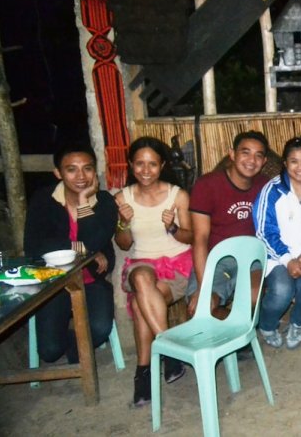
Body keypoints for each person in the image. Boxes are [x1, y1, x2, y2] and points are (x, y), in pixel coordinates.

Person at [113, 136, 193, 407]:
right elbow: (124, 244)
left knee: (140, 303)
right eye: (139, 164)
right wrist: (123, 223)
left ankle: (143, 373)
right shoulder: (122, 198)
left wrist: (172, 227)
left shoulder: (177, 195)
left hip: (176, 266)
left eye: (152, 164)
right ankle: (170, 351)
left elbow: (190, 236)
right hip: (141, 265)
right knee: (140, 277)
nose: (145, 170)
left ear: (162, 166)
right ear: (131, 165)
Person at [24, 142, 117, 364]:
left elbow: (93, 240)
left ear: (95, 170)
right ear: (58, 173)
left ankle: (77, 353)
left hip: (91, 279)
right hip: (53, 282)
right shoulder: (44, 200)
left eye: (87, 168)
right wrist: (82, 248)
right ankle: (66, 341)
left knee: (100, 329)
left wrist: (84, 201)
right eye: (71, 169)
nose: (81, 176)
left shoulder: (104, 201)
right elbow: (34, 246)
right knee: (50, 352)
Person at [254, 137, 301, 349]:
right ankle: (267, 325)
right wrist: (287, 260)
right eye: (294, 161)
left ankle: (298, 323)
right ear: (285, 163)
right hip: (278, 257)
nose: (300, 167)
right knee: (281, 290)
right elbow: (264, 231)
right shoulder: (272, 191)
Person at [186, 130, 269, 319]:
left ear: (264, 161)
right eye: (245, 152)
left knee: (253, 296)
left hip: (251, 259)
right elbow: (200, 238)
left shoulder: (265, 185)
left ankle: (238, 328)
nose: (251, 160)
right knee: (201, 308)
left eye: (258, 155)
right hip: (216, 259)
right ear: (232, 154)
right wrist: (204, 288)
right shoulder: (207, 185)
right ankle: (235, 330)